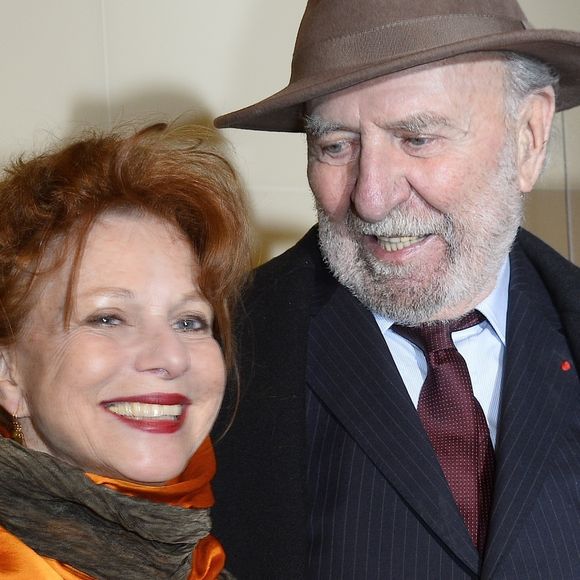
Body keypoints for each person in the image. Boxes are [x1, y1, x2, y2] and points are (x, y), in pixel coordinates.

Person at [211, 0, 580, 578]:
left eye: (416, 138)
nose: (371, 197)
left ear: (529, 137)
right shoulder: (222, 356)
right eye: (337, 146)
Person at [0, 123, 250, 578]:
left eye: (189, 321)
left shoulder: (195, 558)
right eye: (108, 318)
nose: (171, 357)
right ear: (8, 372)